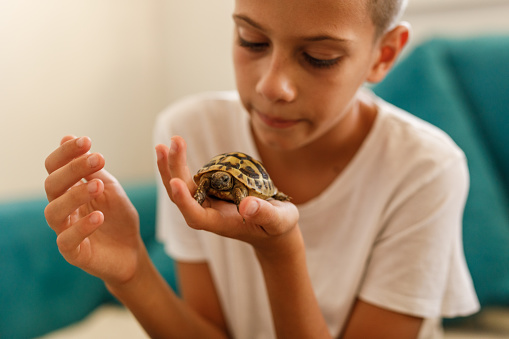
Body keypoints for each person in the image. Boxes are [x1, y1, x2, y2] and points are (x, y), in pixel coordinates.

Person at [43, 0, 480, 337]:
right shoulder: (191, 130)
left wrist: (280, 250)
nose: (272, 86)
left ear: (383, 55)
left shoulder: (425, 168)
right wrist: (133, 270)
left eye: (319, 57)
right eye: (251, 41)